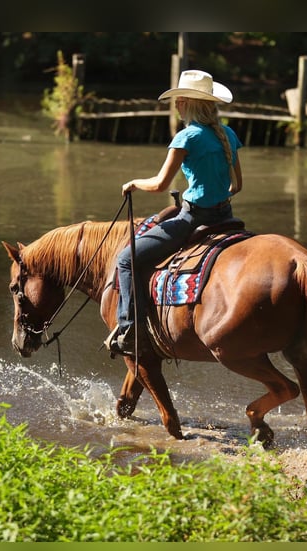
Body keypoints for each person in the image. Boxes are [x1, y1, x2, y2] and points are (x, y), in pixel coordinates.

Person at [105, 70, 244, 356]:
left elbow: (159, 185)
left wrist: (133, 184)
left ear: (185, 103)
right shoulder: (228, 134)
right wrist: (217, 196)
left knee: (126, 260)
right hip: (226, 217)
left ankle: (130, 330)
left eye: (178, 100)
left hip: (193, 218)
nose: (176, 105)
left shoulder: (187, 138)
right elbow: (237, 185)